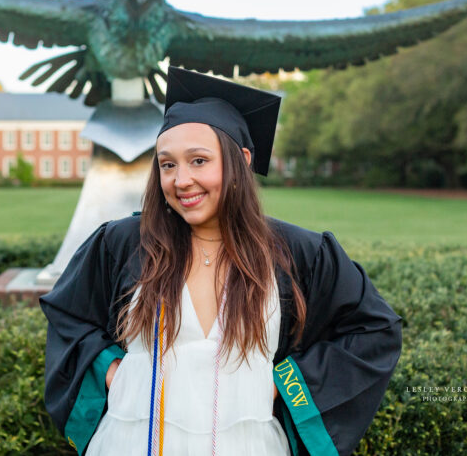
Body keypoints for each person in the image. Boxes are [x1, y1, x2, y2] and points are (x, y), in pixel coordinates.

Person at [39, 66, 403, 456]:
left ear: (241, 160)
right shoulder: (123, 244)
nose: (181, 180)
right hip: (131, 440)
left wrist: (287, 383)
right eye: (167, 164)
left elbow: (374, 331)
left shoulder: (297, 252)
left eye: (199, 161)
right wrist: (110, 369)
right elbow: (69, 316)